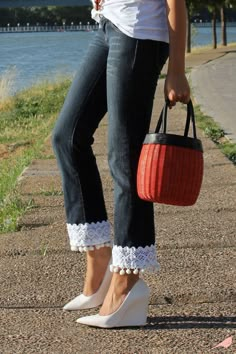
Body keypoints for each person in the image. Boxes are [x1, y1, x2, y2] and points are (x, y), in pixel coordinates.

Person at [52, 0, 190, 328]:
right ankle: (99, 259)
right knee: (67, 137)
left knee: (125, 158)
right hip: (108, 24)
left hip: (141, 33)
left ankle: (127, 281)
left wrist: (177, 70)